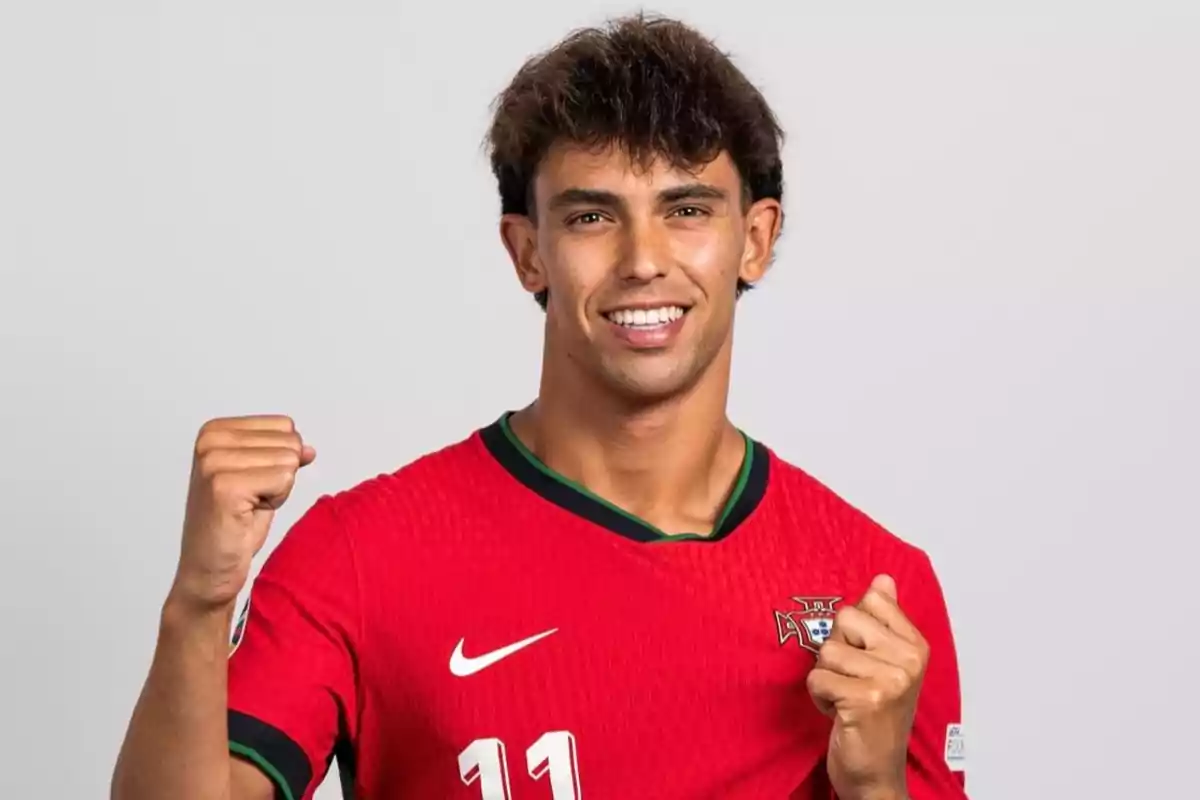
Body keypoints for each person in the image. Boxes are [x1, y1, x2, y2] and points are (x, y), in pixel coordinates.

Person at [112, 13, 968, 800]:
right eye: (594, 215)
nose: (644, 260)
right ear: (529, 253)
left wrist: (878, 789)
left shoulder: (878, 591)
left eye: (687, 210)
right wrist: (198, 602)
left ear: (755, 239)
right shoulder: (362, 557)